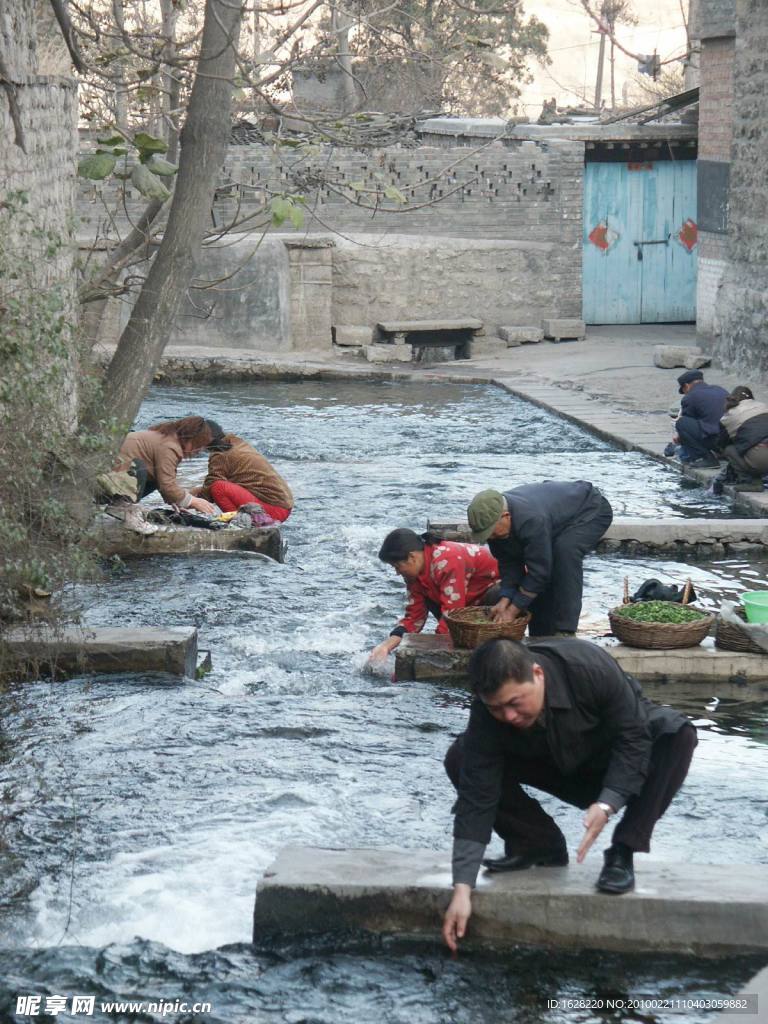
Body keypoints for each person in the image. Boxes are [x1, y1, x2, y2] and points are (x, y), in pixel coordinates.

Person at [442, 637, 697, 952]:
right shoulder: (486, 713)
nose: (507, 716)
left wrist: (608, 801)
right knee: (462, 757)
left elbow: (633, 738)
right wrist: (462, 889)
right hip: (549, 762)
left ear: (537, 674)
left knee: (679, 735)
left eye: (515, 702)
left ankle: (622, 852)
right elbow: (476, 798)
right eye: (497, 708)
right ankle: (537, 845)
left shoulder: (590, 667)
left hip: (613, 764)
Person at [466, 481, 613, 637]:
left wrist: (512, 611)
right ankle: (540, 634)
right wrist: (505, 599)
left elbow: (540, 573)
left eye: (492, 533)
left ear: (506, 516)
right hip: (553, 517)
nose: (491, 537)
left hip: (590, 509)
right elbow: (508, 564)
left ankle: (565, 631)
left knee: (564, 552)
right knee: (541, 567)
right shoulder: (494, 526)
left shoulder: (531, 519)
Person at [369, 529, 500, 664]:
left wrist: (432, 654)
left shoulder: (446, 560)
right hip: (467, 602)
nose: (397, 572)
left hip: (495, 594)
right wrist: (386, 646)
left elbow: (452, 614)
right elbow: (414, 617)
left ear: (412, 557)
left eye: (397, 566)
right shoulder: (413, 575)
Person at [106, 416, 218, 532]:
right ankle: (122, 508)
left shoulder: (166, 437)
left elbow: (164, 478)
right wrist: (193, 501)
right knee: (138, 467)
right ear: (190, 438)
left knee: (151, 474)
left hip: (111, 480)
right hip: (107, 482)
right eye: (198, 445)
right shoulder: (169, 446)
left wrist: (176, 502)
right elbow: (167, 487)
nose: (199, 451)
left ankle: (122, 504)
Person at [195, 425, 294, 522]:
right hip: (283, 506)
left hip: (273, 509)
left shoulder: (220, 452)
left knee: (218, 488)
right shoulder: (236, 442)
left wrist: (193, 503)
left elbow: (212, 483)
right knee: (214, 487)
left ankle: (241, 524)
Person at [714, 386, 768, 491]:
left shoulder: (728, 416)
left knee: (729, 449)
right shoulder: (763, 406)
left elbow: (721, 444)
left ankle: (750, 482)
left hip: (762, 458)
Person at [673, 370, 728, 468]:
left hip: (716, 440)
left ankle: (705, 458)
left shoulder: (690, 397)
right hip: (730, 439)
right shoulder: (720, 390)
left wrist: (679, 436)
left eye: (684, 391)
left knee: (681, 423)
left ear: (686, 386)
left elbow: (687, 424)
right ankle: (721, 453)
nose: (685, 394)